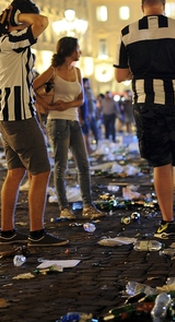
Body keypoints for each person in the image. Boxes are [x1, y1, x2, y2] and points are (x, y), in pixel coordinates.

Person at [114, 0, 175, 241]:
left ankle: (167, 220)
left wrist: (142, 71)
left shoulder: (127, 33)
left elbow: (120, 75)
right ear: (163, 6)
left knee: (160, 164)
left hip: (146, 103)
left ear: (143, 7)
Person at [0, 0, 68, 247]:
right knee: (41, 171)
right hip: (19, 116)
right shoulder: (13, 40)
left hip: (6, 114)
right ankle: (37, 232)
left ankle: (8, 231)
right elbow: (42, 22)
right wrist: (16, 16)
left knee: (15, 172)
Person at [34, 36, 105, 220]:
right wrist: (48, 106)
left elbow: (81, 99)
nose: (80, 52)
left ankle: (88, 205)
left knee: (83, 163)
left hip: (73, 121)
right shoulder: (53, 72)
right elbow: (33, 88)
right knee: (61, 165)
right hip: (57, 121)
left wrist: (68, 104)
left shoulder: (77, 72)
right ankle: (64, 207)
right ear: (68, 50)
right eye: (77, 48)